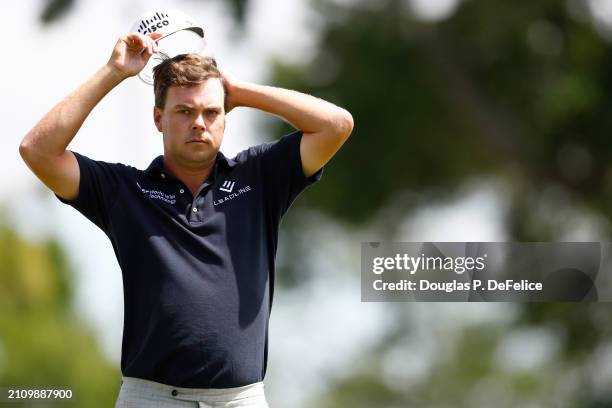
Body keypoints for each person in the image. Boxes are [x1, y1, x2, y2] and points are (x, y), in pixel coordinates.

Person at [19, 31, 353, 408]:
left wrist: (238, 91)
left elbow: (337, 124)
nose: (199, 123)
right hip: (150, 398)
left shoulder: (259, 176)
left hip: (241, 399)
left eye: (212, 112)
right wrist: (114, 72)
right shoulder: (126, 190)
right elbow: (38, 151)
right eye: (184, 111)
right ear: (159, 118)